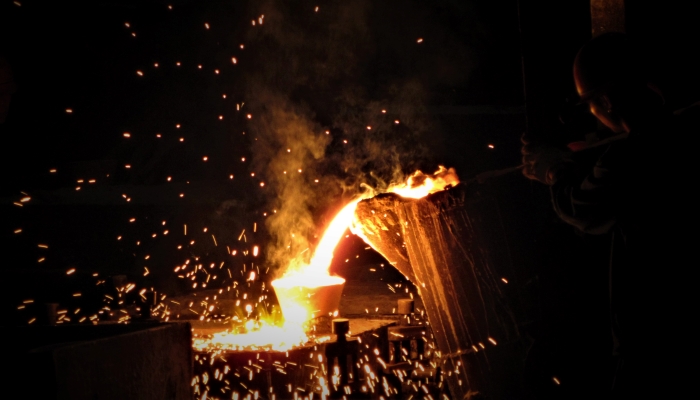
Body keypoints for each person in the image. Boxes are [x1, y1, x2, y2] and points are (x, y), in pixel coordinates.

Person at [521, 32, 699, 397]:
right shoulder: (679, 133)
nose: (593, 114)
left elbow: (581, 208)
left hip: (653, 342)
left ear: (605, 100)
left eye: (591, 104)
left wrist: (553, 171)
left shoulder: (633, 155)